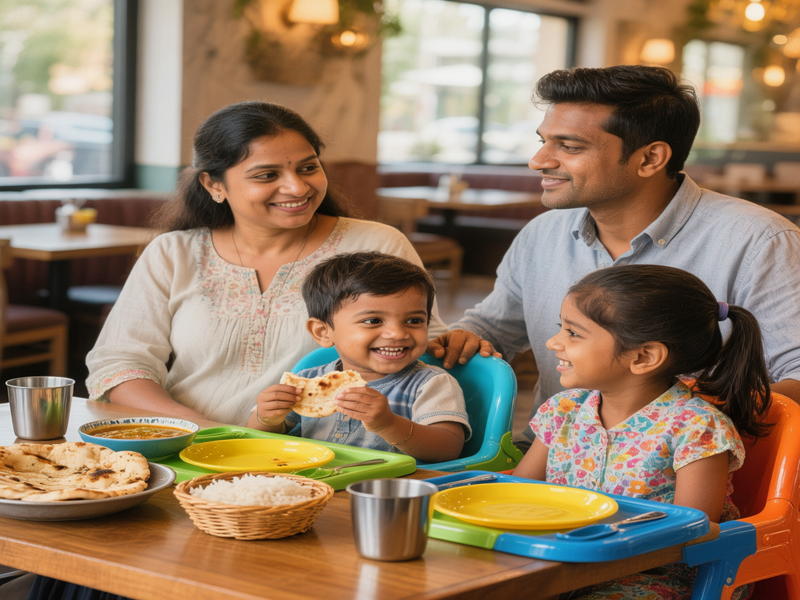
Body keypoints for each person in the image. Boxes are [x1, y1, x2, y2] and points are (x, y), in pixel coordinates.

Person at [428, 65, 800, 448]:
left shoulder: (761, 241)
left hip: (694, 471)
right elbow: (491, 330)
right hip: (553, 458)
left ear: (650, 158)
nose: (538, 160)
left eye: (569, 147)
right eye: (543, 141)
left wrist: (686, 418)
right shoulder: (542, 234)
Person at [85, 101, 462, 425]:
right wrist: (203, 430)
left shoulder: (376, 243)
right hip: (185, 446)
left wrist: (454, 342)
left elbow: (421, 344)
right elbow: (119, 365)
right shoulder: (173, 253)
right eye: (267, 175)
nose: (297, 187)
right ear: (214, 185)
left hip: (324, 456)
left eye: (308, 168)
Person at [514, 264, 770, 600]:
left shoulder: (696, 426)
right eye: (560, 329)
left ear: (644, 356)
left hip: (656, 576)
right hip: (564, 562)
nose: (553, 342)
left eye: (573, 333)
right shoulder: (564, 410)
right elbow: (519, 493)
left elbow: (690, 531)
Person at [252, 251, 470, 462]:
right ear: (322, 331)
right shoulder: (308, 380)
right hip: (312, 482)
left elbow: (448, 448)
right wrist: (267, 418)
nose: (397, 333)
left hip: (385, 489)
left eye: (414, 321)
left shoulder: (431, 384)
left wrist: (388, 424)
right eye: (373, 320)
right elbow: (256, 440)